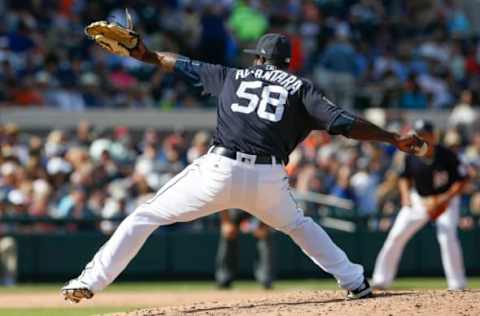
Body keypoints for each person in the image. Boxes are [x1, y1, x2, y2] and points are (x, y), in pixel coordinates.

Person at [62, 17, 427, 303]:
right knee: (299, 226)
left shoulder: (233, 75)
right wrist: (392, 138)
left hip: (219, 171)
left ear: (259, 59)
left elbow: (181, 63)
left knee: (145, 216)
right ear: (286, 62)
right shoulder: (300, 88)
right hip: (268, 180)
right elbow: (346, 124)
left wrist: (147, 54)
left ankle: (87, 281)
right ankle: (355, 281)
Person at [372, 120, 468, 290]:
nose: (420, 138)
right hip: (419, 200)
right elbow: (404, 177)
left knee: (447, 237)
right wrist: (405, 197)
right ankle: (381, 280)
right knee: (396, 235)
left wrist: (443, 200)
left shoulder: (446, 154)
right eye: (418, 134)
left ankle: (457, 285)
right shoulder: (411, 156)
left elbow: (461, 181)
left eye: (424, 134)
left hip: (445, 200)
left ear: (433, 136)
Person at [216, 209, 273, 289]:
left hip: (258, 209)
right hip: (235, 209)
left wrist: (264, 224)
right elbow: (222, 200)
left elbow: (269, 202)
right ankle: (224, 279)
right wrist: (226, 222)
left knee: (264, 235)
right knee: (227, 233)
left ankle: (266, 280)